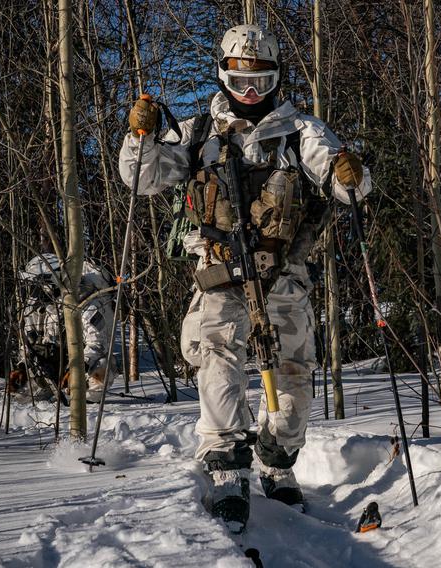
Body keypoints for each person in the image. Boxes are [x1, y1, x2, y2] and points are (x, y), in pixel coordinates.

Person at [118, 24, 370, 533]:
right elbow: (141, 177)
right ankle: (226, 466)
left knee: (295, 375)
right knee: (219, 359)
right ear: (223, 74)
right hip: (219, 268)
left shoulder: (302, 133)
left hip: (284, 272)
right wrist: (139, 135)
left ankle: (277, 459)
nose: (249, 92)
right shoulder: (197, 133)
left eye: (260, 80)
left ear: (276, 80)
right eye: (239, 79)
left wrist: (351, 175)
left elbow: (353, 191)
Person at [9, 253, 116, 404]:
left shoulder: (87, 304)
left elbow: (98, 344)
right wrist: (22, 365)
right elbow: (28, 340)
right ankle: (47, 392)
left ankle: (84, 403)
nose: (33, 289)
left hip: (78, 365)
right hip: (49, 366)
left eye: (37, 283)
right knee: (21, 397)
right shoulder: (36, 306)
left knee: (102, 367)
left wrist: (77, 369)